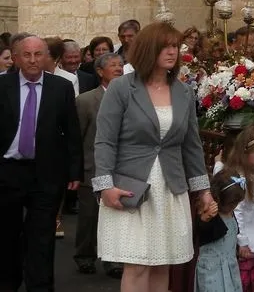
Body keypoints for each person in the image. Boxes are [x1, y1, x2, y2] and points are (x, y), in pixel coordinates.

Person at [93, 22, 213, 292]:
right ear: (149, 49)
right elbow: (104, 140)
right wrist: (104, 187)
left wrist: (203, 191)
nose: (172, 52)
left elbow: (192, 146)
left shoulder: (183, 91)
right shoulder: (122, 88)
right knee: (137, 266)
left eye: (175, 46)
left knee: (163, 265)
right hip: (131, 187)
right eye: (165, 46)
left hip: (170, 188)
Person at [0, 34, 82, 291]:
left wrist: (74, 171)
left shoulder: (61, 87)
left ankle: (40, 286)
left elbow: (72, 132)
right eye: (27, 54)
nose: (33, 60)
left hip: (46, 173)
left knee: (42, 238)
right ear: (15, 59)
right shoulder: (3, 86)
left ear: (46, 57)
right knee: (6, 236)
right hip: (7, 173)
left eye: (38, 54)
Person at [74, 53, 125, 278]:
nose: (118, 68)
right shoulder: (85, 101)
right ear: (99, 71)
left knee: (116, 217)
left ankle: (114, 261)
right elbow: (77, 138)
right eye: (113, 65)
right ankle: (85, 256)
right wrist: (77, 169)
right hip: (91, 167)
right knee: (89, 217)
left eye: (121, 65)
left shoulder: (131, 97)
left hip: (122, 169)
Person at [214, 124, 254, 292]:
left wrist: (218, 164)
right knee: (243, 281)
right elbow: (236, 212)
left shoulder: (249, 174)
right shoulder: (239, 178)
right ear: (244, 153)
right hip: (247, 244)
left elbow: (221, 173)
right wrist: (243, 242)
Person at [195, 169, 246, 292]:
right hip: (212, 270)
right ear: (218, 199)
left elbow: (233, 235)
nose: (234, 207)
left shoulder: (231, 214)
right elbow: (201, 231)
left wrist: (240, 247)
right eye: (232, 203)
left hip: (230, 267)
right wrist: (206, 218)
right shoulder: (212, 216)